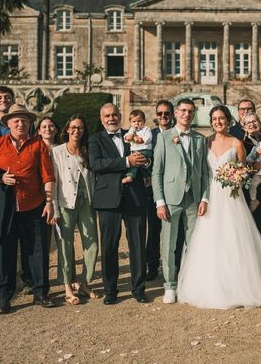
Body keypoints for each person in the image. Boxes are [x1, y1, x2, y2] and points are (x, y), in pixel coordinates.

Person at [177, 105, 261, 309]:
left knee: (236, 238)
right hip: (212, 196)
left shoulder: (236, 142)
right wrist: (203, 198)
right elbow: (203, 173)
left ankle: (244, 284)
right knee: (212, 239)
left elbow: (246, 169)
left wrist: (237, 177)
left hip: (232, 197)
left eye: (221, 118)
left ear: (229, 120)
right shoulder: (205, 142)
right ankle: (212, 285)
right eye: (214, 119)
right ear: (211, 121)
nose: (218, 122)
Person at [0, 104, 56, 314]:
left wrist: (49, 202)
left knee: (37, 250)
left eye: (24, 120)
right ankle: (5, 297)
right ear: (8, 123)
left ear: (29, 123)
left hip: (33, 205)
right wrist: (1, 178)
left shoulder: (38, 145)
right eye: (16, 120)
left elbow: (47, 176)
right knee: (4, 252)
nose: (20, 123)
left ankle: (41, 292)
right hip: (6, 208)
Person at [89, 103, 150, 305]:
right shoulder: (95, 139)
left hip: (135, 196)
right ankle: (111, 290)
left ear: (120, 115)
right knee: (109, 246)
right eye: (107, 115)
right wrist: (126, 162)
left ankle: (139, 289)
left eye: (115, 114)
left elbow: (143, 154)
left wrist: (142, 160)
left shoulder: (131, 134)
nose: (111, 118)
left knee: (137, 244)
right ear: (101, 118)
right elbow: (97, 164)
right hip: (108, 200)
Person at [152, 98, 210, 304]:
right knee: (168, 245)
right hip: (170, 199)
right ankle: (170, 285)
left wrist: (204, 197)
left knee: (194, 243)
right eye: (183, 110)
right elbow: (156, 172)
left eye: (190, 111)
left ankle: (191, 283)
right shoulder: (164, 137)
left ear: (193, 115)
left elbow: (204, 171)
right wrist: (159, 201)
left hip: (193, 198)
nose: (186, 114)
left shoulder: (200, 139)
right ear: (176, 113)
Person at [0, 85, 34, 294]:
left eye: (7, 97)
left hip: (24, 191)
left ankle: (28, 278)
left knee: (26, 238)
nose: (3, 100)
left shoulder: (25, 126)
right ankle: (3, 282)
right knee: (0, 237)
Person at [52, 115, 99, 305]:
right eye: (73, 127)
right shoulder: (57, 152)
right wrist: (54, 208)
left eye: (79, 128)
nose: (76, 131)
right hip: (65, 203)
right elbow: (53, 181)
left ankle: (84, 283)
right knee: (65, 244)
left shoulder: (87, 151)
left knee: (92, 243)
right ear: (67, 130)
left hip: (86, 202)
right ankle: (67, 287)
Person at [146, 99, 179, 281]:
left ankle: (175, 265)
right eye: (160, 114)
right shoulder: (149, 135)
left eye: (167, 113)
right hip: (153, 189)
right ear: (156, 116)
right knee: (154, 230)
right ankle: (152, 266)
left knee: (176, 229)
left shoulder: (178, 134)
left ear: (172, 115)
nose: (163, 116)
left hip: (175, 189)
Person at [122, 110, 153, 184]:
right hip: (135, 151)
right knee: (134, 162)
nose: (137, 123)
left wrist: (140, 139)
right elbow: (126, 137)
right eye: (134, 121)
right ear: (130, 123)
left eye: (139, 121)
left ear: (144, 121)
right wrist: (128, 137)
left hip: (145, 150)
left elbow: (148, 138)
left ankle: (131, 176)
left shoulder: (146, 129)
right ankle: (146, 177)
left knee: (136, 161)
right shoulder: (132, 130)